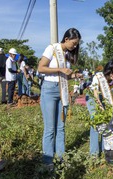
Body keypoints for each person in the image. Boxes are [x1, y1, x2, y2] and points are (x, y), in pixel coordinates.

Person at [37, 28, 81, 167]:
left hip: (62, 90)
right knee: (50, 128)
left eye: (76, 45)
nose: (74, 46)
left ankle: (61, 158)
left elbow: (65, 75)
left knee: (61, 127)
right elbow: (41, 68)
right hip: (49, 90)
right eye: (73, 43)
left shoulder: (67, 54)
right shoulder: (52, 49)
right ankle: (48, 162)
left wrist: (73, 76)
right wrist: (60, 69)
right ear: (66, 39)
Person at [86, 59, 113, 156]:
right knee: (97, 123)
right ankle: (94, 153)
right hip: (93, 98)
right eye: (112, 72)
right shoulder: (98, 77)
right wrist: (101, 109)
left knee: (107, 123)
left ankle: (104, 149)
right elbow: (95, 96)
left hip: (106, 99)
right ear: (107, 70)